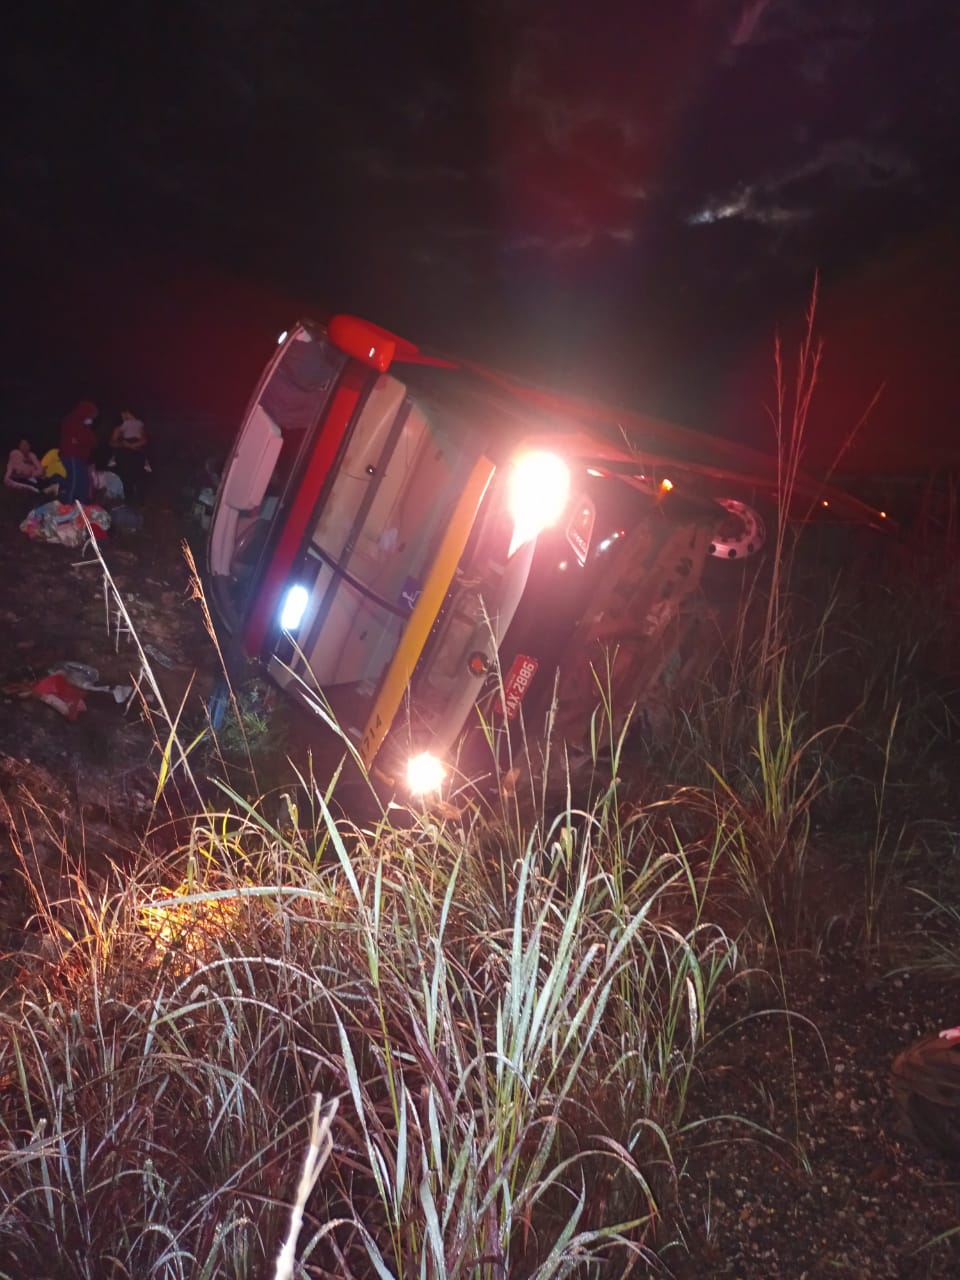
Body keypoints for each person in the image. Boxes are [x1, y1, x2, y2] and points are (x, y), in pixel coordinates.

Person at [59, 400, 98, 504]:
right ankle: (67, 508)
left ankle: (80, 509)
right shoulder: (73, 421)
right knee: (74, 484)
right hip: (72, 457)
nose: (91, 419)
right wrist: (83, 440)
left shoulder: (83, 425)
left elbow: (92, 440)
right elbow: (83, 439)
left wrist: (83, 441)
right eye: (91, 415)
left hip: (80, 459)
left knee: (83, 484)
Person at [109, 409, 148, 503]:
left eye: (128, 414)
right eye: (124, 415)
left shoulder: (139, 427)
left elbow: (144, 440)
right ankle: (127, 500)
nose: (126, 416)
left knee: (139, 477)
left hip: (137, 455)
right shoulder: (119, 428)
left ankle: (140, 500)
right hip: (124, 456)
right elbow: (112, 442)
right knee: (126, 478)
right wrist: (123, 445)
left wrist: (133, 445)